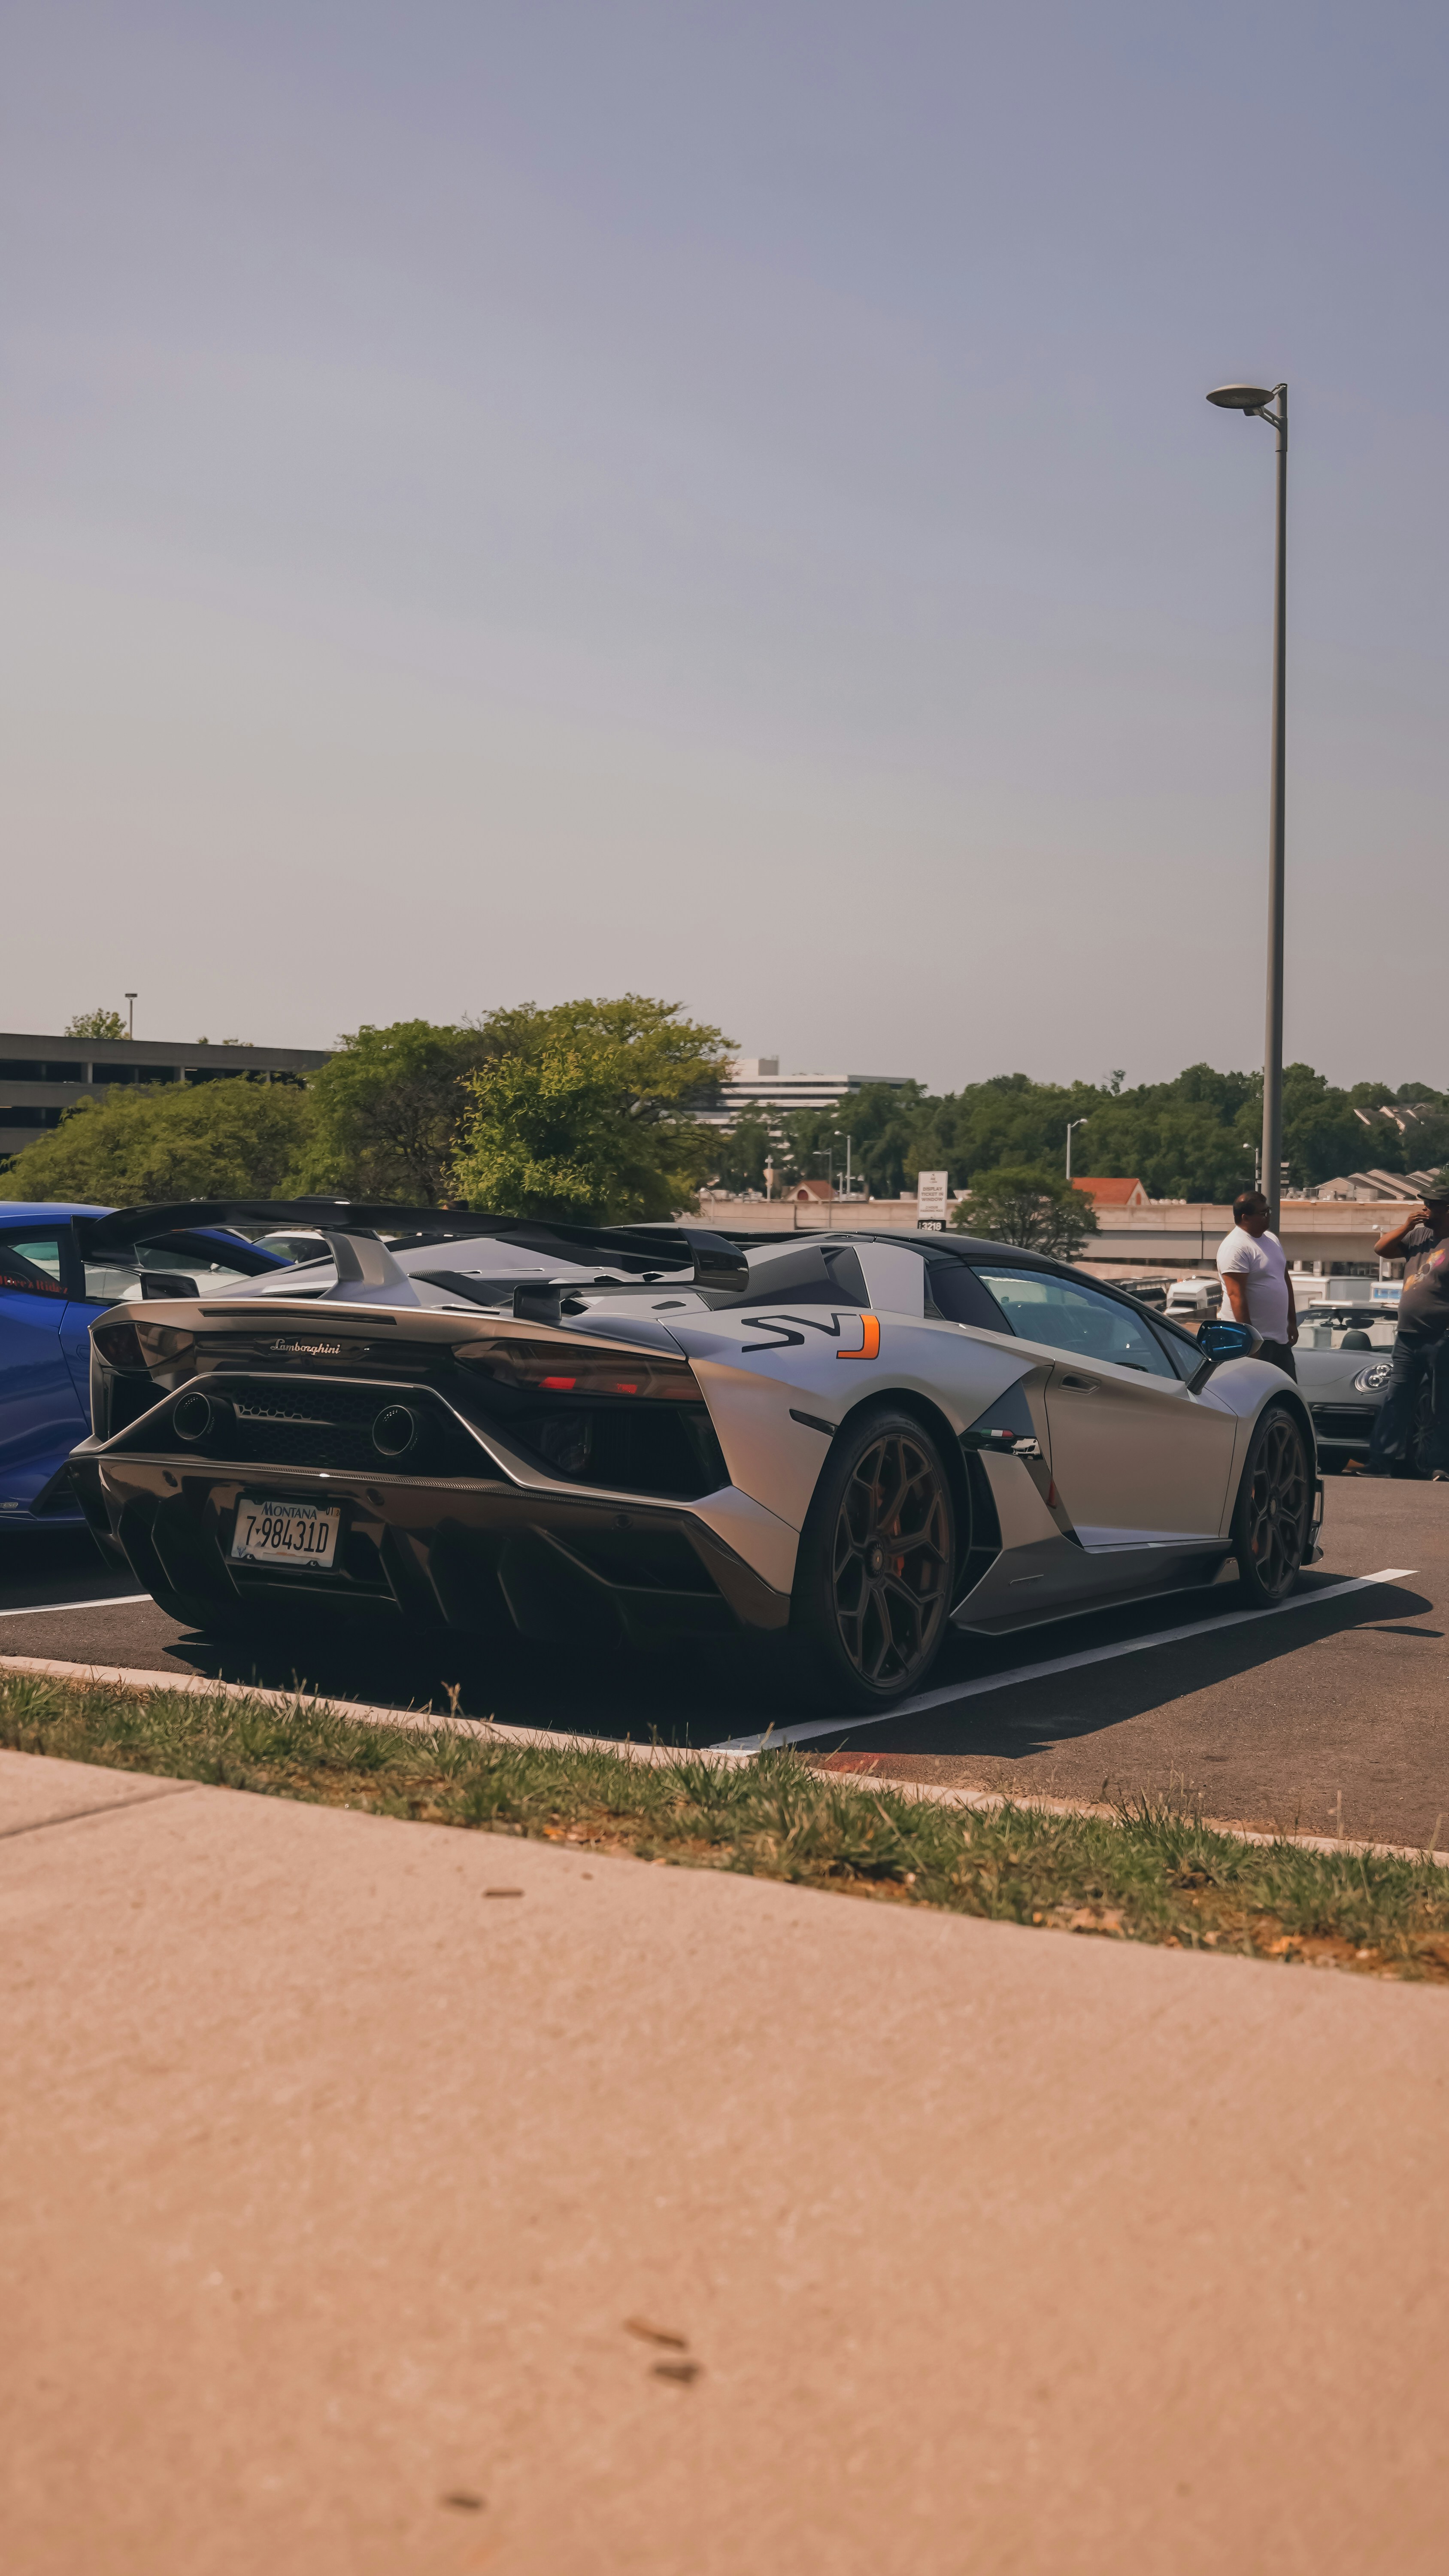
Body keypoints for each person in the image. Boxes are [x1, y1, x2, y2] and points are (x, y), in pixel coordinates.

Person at [1364, 1176, 1449, 1480]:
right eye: (1424, 1202)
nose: (1425, 1208)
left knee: (1443, 1407)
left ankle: (1441, 1466)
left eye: (1433, 1204)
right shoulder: (1417, 1237)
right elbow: (1381, 1249)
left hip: (1441, 1337)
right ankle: (1380, 1463)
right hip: (1408, 1337)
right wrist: (1406, 1227)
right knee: (1395, 1401)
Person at [1215, 1189, 1298, 1376]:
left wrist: (1292, 1321)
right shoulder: (1235, 1247)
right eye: (1263, 1213)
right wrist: (1250, 1341)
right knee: (1250, 1395)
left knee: (1285, 1393)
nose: (1268, 1217)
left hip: (1278, 1339)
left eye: (1268, 1211)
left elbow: (1284, 1281)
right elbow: (1236, 1295)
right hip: (1250, 1341)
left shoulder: (1272, 1240)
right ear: (1245, 1217)